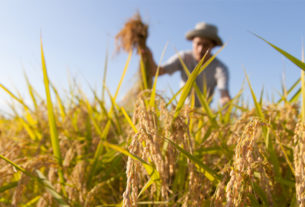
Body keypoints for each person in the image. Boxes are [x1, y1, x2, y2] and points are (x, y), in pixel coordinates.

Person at [144, 22, 231, 107]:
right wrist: (148, 56)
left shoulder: (220, 68)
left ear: (213, 46)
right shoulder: (183, 57)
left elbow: (224, 94)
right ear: (193, 42)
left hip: (204, 113)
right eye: (198, 43)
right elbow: (156, 72)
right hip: (184, 109)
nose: (201, 49)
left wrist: (226, 108)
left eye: (206, 45)